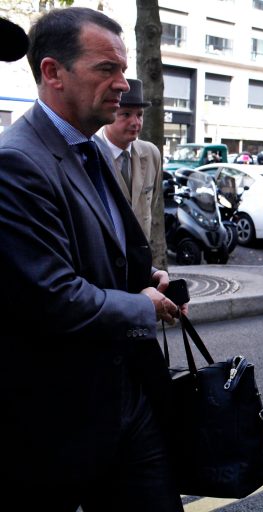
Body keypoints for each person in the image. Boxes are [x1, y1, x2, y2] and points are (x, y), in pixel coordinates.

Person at [0, 8, 184, 510]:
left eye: (122, 69)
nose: (122, 84)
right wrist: (143, 306)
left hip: (128, 396)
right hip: (59, 415)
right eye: (107, 69)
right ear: (53, 72)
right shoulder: (17, 161)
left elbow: (103, 247)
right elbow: (52, 295)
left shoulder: (89, 148)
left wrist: (146, 276)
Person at [95, 78, 165, 268]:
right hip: (104, 265)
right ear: (109, 114)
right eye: (125, 114)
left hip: (139, 263)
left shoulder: (152, 154)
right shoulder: (91, 154)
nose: (135, 122)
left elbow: (151, 203)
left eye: (140, 115)